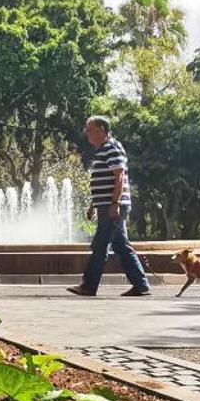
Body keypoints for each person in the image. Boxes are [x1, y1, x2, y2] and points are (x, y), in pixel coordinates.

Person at [68, 115, 150, 297]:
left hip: (113, 206)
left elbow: (119, 176)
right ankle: (141, 284)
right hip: (106, 205)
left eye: (90, 129)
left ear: (102, 130)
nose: (87, 133)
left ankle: (88, 286)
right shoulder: (104, 149)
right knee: (120, 245)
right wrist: (94, 205)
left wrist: (115, 203)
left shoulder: (112, 147)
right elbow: (102, 181)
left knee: (100, 245)